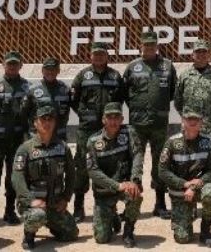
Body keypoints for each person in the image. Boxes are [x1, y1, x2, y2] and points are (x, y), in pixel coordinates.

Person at [122, 30, 177, 218]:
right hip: (137, 125)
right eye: (146, 45)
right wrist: (139, 109)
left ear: (157, 46)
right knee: (133, 163)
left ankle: (160, 204)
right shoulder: (132, 67)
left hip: (159, 124)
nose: (149, 48)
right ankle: (131, 205)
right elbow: (125, 94)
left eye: (152, 45)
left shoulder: (168, 66)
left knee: (160, 164)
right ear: (141, 46)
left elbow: (172, 93)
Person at [70, 41, 125, 220]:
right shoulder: (82, 76)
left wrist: (111, 120)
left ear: (107, 56)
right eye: (96, 54)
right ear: (91, 56)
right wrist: (85, 115)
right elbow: (74, 99)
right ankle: (78, 206)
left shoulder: (115, 76)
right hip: (87, 129)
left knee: (108, 165)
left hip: (108, 129)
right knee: (82, 167)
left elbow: (120, 100)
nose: (99, 57)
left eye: (102, 54)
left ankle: (108, 206)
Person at [11, 105, 79, 250]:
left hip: (54, 203)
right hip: (34, 204)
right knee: (37, 215)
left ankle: (51, 223)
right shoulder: (26, 149)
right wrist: (30, 200)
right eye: (43, 120)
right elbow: (17, 178)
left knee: (71, 234)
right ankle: (29, 235)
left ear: (55, 123)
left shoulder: (62, 147)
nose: (47, 123)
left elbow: (72, 174)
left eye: (50, 119)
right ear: (35, 123)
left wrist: (66, 198)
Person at [158, 107, 211, 247]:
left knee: (210, 192)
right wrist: (184, 184)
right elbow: (162, 171)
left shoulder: (207, 142)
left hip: (198, 187)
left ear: (201, 123)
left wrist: (193, 186)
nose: (192, 122)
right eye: (189, 119)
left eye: (196, 119)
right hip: (179, 191)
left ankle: (206, 232)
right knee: (183, 238)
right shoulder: (172, 142)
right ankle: (187, 214)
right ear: (182, 121)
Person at [0, 50, 30, 226]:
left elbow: (30, 112)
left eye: (15, 64)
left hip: (17, 139)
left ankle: (10, 211)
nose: (12, 67)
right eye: (9, 63)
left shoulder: (27, 87)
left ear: (20, 66)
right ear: (3, 65)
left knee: (13, 176)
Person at [86, 103, 144, 247]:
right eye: (109, 117)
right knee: (102, 238)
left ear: (122, 118)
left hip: (126, 186)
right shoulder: (93, 141)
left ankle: (128, 230)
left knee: (135, 195)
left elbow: (137, 155)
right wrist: (116, 185)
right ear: (103, 120)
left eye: (116, 117)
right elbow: (93, 171)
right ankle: (113, 216)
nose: (113, 121)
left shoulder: (129, 133)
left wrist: (135, 180)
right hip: (105, 191)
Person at [20, 57, 71, 142]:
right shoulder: (32, 90)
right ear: (42, 71)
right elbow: (23, 114)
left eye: (53, 69)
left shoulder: (65, 90)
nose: (50, 72)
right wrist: (26, 135)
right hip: (37, 136)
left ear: (58, 71)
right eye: (47, 69)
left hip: (59, 136)